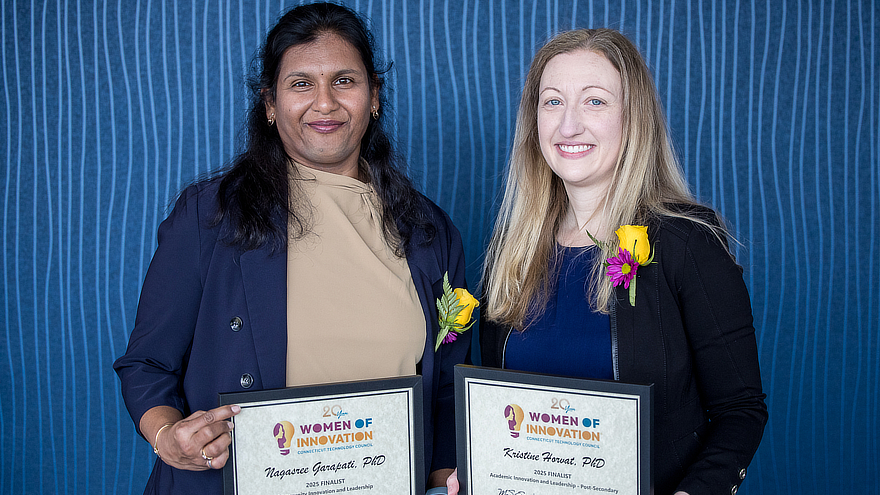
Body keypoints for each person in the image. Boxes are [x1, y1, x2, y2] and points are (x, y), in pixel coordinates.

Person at [113, 3, 468, 493]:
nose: (325, 103)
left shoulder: (430, 231)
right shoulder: (211, 215)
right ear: (270, 104)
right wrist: (168, 434)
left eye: (344, 80)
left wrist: (443, 473)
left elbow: (448, 385)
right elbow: (147, 364)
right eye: (301, 83)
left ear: (375, 97)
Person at [479, 28, 767, 495]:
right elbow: (498, 411)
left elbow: (741, 410)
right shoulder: (513, 253)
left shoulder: (688, 243)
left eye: (594, 102)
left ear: (633, 118)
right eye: (552, 102)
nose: (568, 125)